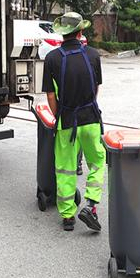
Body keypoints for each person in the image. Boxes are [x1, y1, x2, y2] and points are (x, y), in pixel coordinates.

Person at [42, 12, 106, 232]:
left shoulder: (51, 58)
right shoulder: (93, 55)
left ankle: (68, 216)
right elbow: (96, 88)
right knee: (97, 162)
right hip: (90, 120)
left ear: (62, 33)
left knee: (66, 169)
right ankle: (91, 205)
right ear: (80, 32)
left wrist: (61, 114)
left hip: (67, 122)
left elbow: (51, 95)